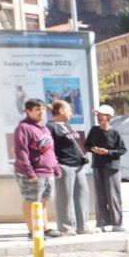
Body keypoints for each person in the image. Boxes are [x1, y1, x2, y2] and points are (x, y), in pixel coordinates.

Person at [12, 99, 60, 238]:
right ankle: (33, 230)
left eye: (44, 109)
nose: (41, 112)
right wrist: (28, 170)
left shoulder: (44, 127)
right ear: (28, 111)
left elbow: (50, 149)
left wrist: (55, 166)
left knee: (43, 200)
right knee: (31, 201)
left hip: (47, 171)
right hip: (33, 172)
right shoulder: (24, 127)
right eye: (37, 109)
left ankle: (45, 228)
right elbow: (21, 151)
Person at [46, 99, 89, 236]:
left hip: (78, 165)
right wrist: (56, 164)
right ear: (61, 110)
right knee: (65, 197)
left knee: (82, 194)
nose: (71, 112)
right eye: (69, 109)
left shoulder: (67, 125)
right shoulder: (50, 127)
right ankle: (66, 227)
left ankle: (83, 226)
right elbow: (49, 148)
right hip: (65, 165)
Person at [84, 106, 126, 231]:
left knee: (113, 195)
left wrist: (107, 152)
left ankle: (117, 224)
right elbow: (87, 145)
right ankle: (101, 224)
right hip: (97, 166)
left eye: (101, 114)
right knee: (100, 195)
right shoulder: (94, 130)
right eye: (97, 114)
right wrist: (94, 149)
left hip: (112, 167)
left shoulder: (115, 132)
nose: (98, 116)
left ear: (109, 117)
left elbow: (122, 149)